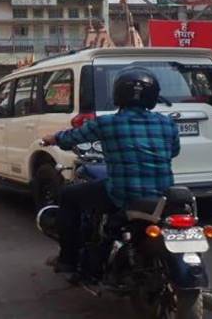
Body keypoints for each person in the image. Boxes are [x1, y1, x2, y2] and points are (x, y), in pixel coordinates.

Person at [40, 69, 180, 274]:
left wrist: (53, 138)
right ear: (152, 97)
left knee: (68, 196)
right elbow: (174, 151)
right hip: (162, 195)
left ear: (118, 95)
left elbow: (71, 138)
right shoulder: (167, 123)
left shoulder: (108, 123)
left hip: (123, 194)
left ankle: (68, 259)